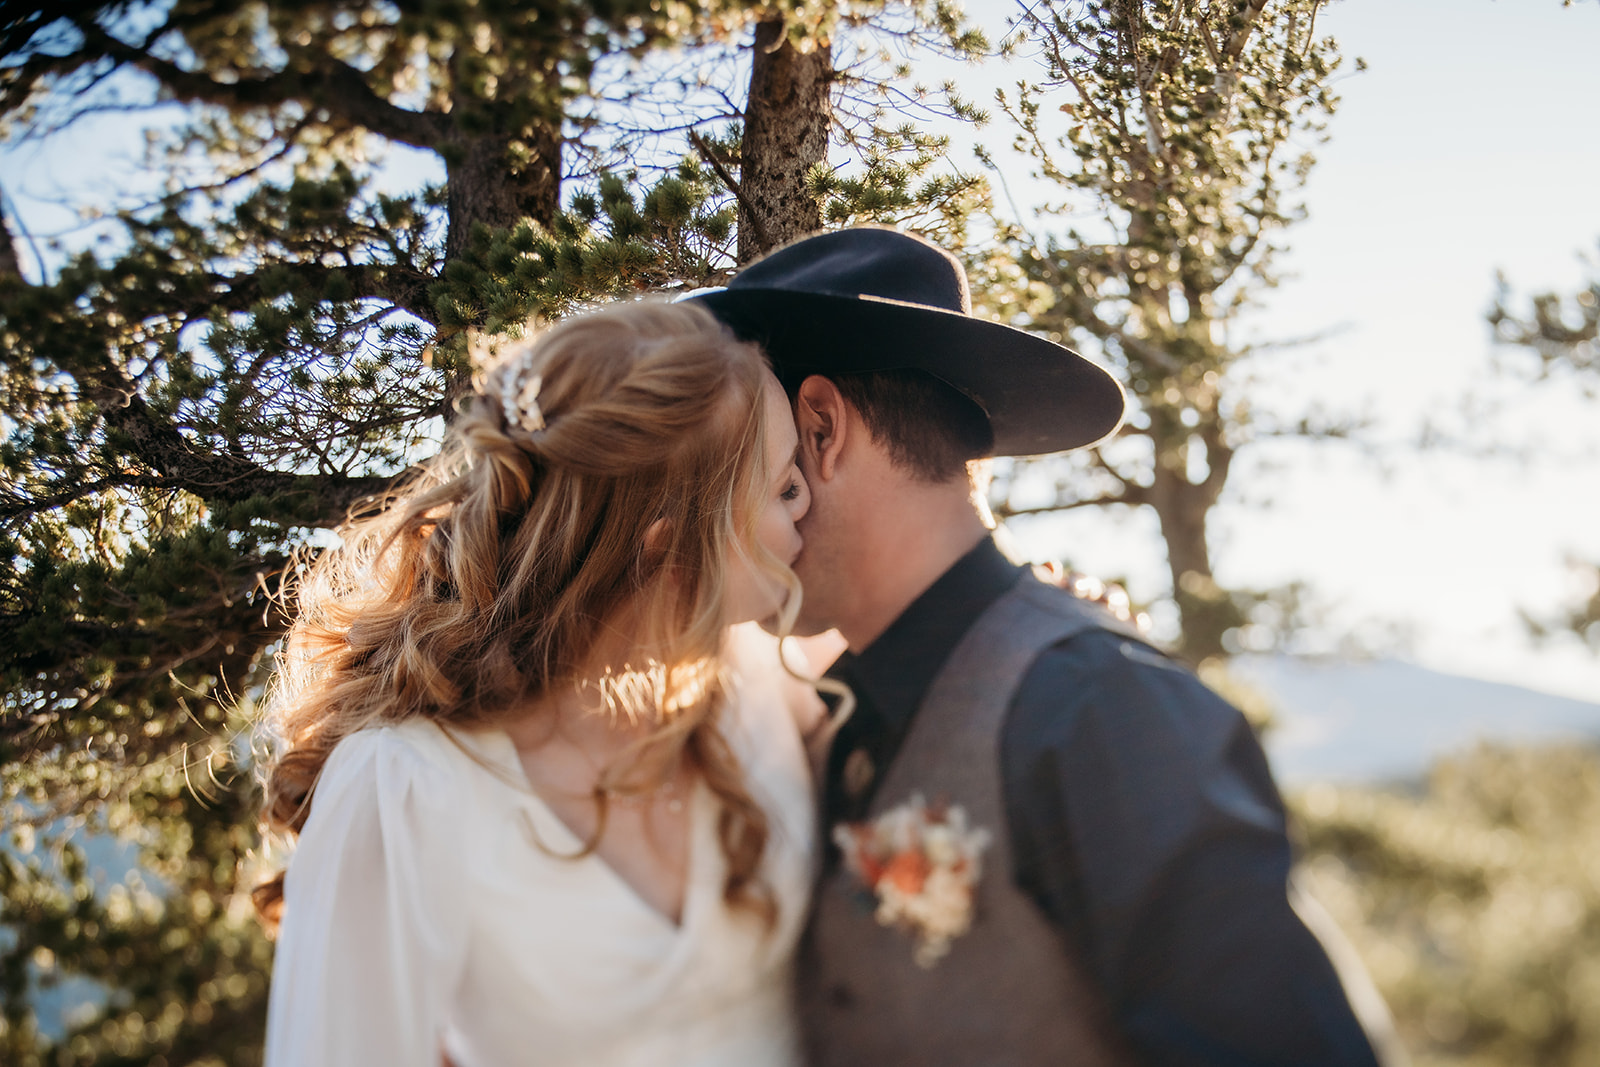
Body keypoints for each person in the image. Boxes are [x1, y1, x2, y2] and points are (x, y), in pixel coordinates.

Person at [692, 226, 1400, 1067]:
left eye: (737, 465)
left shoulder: (1102, 707)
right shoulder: (832, 719)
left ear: (819, 428)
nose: (721, 515)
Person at [255, 300, 820, 1067]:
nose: (808, 509)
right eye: (784, 488)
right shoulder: (409, 786)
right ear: (667, 543)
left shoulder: (759, 679)